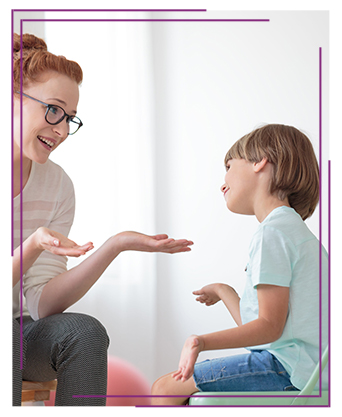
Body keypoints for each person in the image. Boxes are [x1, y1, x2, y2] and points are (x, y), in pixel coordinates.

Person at [12, 33, 193, 406]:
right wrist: (30, 246)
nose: (61, 131)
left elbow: (43, 305)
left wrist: (116, 245)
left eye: (70, 119)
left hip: (18, 333)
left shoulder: (57, 185)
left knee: (85, 333)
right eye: (53, 110)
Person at [151, 124, 328, 405]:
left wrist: (200, 341)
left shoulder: (273, 233)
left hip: (289, 369)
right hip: (311, 370)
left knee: (163, 389)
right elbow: (264, 330)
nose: (223, 182)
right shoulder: (293, 232)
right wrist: (224, 291)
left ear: (260, 162)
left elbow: (268, 328)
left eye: (229, 166)